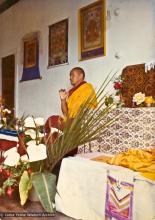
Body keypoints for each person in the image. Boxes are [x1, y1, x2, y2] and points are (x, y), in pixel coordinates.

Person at [45, 67, 97, 135]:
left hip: (80, 121)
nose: (70, 77)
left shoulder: (87, 88)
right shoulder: (71, 92)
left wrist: (74, 120)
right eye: (70, 75)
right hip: (70, 122)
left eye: (72, 75)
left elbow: (89, 109)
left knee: (55, 123)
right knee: (51, 120)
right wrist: (63, 100)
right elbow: (66, 113)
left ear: (80, 76)